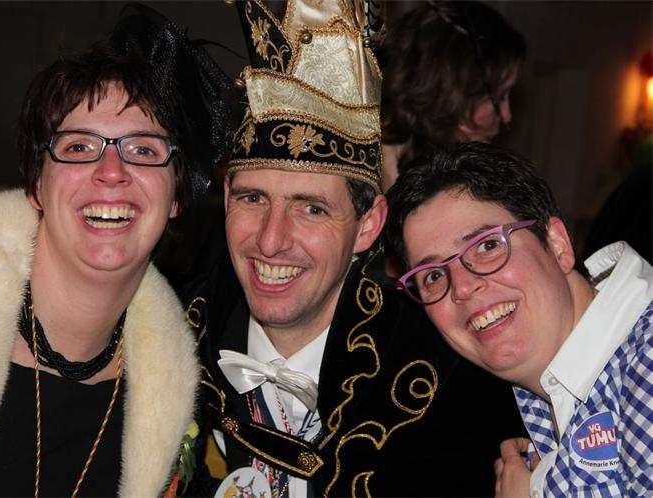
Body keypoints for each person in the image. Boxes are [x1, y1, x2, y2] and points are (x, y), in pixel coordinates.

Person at [182, 1, 525, 496]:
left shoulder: (445, 393)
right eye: (253, 199)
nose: (271, 241)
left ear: (369, 226)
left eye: (312, 208)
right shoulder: (169, 343)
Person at [0, 5, 229, 497]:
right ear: (37, 183)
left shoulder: (183, 391)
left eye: (143, 149)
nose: (111, 173)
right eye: (79, 147)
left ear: (178, 195)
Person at [386, 142, 653, 498]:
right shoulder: (549, 387)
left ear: (557, 244)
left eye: (486, 246)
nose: (461, 287)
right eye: (433, 275)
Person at [379, 0, 526, 190]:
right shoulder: (365, 170)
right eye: (499, 97)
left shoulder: (425, 173)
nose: (507, 116)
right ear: (450, 91)